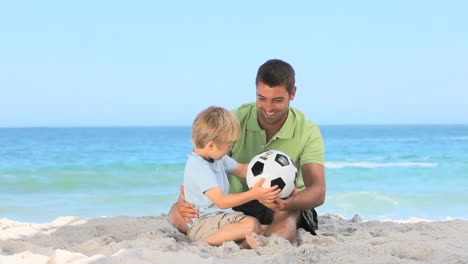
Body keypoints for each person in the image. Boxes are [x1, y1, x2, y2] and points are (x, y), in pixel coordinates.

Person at [169, 59, 325, 243]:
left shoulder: (307, 131)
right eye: (261, 98)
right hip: (233, 203)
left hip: (282, 203)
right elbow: (203, 157)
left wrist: (286, 202)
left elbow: (318, 190)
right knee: (176, 213)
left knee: (287, 218)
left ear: (293, 93)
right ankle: (244, 240)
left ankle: (266, 244)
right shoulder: (231, 122)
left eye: (277, 100)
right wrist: (186, 199)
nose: (268, 107)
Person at [182, 106, 280, 248]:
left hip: (220, 217)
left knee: (263, 228)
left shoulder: (217, 158)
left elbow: (241, 169)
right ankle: (203, 244)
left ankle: (241, 244)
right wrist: (253, 194)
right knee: (251, 225)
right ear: (211, 146)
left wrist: (268, 170)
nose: (230, 148)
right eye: (229, 145)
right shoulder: (199, 167)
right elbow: (221, 201)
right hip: (203, 224)